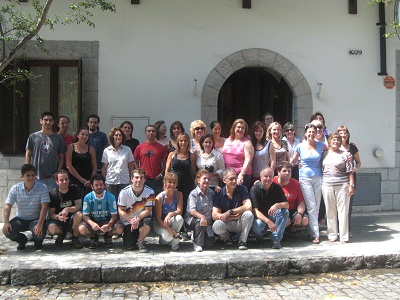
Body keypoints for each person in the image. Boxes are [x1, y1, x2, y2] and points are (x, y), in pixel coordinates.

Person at [290, 123, 328, 244]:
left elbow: (333, 149)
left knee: (316, 206)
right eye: (309, 132)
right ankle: (316, 235)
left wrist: (349, 148)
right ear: (305, 134)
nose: (311, 134)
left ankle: (311, 232)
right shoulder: (300, 146)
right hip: (305, 178)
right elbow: (292, 162)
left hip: (318, 178)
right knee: (311, 206)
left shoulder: (321, 145)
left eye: (313, 131)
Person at [2, 164, 50, 250]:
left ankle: (38, 242)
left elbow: (44, 207)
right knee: (7, 230)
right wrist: (6, 222)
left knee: (40, 231)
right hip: (21, 219)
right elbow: (8, 206)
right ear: (22, 177)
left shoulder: (43, 188)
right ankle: (22, 241)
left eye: (33, 175)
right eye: (28, 175)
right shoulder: (15, 189)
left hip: (36, 219)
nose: (31, 178)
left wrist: (40, 224)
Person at [322, 132, 355, 244]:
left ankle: (344, 236)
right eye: (333, 140)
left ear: (340, 142)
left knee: (343, 211)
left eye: (338, 140)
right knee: (330, 211)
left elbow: (350, 172)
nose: (335, 142)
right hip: (327, 184)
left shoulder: (345, 154)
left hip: (342, 185)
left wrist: (351, 185)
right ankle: (332, 235)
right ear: (330, 141)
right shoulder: (324, 153)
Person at [212, 168, 254, 250]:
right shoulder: (219, 193)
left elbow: (248, 206)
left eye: (235, 178)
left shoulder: (242, 189)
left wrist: (230, 212)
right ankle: (227, 238)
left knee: (249, 214)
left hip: (240, 222)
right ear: (224, 180)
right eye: (231, 179)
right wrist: (234, 217)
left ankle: (243, 240)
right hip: (228, 222)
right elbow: (214, 215)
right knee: (216, 225)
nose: (234, 181)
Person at [79, 174, 123, 249]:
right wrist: (92, 224)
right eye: (96, 185)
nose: (99, 187)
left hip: (107, 222)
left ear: (104, 185)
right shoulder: (87, 197)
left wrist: (109, 225)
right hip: (93, 222)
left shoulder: (111, 197)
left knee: (120, 228)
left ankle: (108, 236)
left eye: (101, 184)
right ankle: (93, 238)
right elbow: (85, 215)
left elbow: (114, 215)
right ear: (92, 186)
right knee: (82, 229)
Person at [25, 111, 66, 191]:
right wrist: (28, 171)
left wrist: (58, 172)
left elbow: (62, 157)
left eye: (50, 120)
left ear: (53, 122)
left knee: (52, 201)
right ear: (41, 121)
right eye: (46, 120)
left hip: (52, 178)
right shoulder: (33, 137)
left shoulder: (58, 138)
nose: (48, 122)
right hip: (36, 177)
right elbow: (28, 154)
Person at [250, 167, 289, 249]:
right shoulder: (255, 189)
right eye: (266, 176)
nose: (268, 179)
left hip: (273, 215)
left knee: (285, 212)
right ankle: (259, 238)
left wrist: (277, 205)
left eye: (270, 176)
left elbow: (286, 205)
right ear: (261, 177)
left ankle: (276, 240)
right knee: (258, 225)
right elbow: (255, 211)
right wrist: (268, 222)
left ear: (273, 177)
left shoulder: (277, 187)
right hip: (260, 217)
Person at [118, 168, 154, 252]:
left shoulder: (150, 192)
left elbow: (148, 210)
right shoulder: (124, 192)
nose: (139, 180)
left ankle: (140, 241)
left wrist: (137, 219)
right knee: (129, 246)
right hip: (128, 220)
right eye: (136, 177)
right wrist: (131, 221)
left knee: (148, 221)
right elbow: (121, 210)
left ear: (145, 179)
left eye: (141, 177)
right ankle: (132, 236)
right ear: (132, 179)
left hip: (141, 219)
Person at [47, 170, 83, 249]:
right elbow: (51, 214)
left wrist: (67, 209)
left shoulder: (74, 189)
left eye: (66, 179)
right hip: (59, 219)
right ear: (57, 182)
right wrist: (58, 216)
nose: (64, 182)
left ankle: (75, 237)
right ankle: (61, 234)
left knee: (79, 214)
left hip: (72, 218)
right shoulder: (53, 194)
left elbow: (79, 206)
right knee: (52, 228)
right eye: (61, 180)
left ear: (69, 180)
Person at [337, 125, 362, 237]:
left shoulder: (353, 148)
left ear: (348, 134)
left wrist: (355, 169)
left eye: (345, 132)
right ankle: (338, 229)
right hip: (337, 178)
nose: (343, 135)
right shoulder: (334, 146)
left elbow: (359, 162)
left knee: (349, 205)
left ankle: (347, 229)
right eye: (340, 133)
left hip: (350, 178)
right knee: (338, 205)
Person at [273, 162, 308, 237]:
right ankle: (285, 230)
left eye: (289, 171)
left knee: (305, 220)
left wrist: (299, 214)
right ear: (278, 172)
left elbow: (301, 202)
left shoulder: (295, 183)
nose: (287, 173)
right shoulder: (273, 183)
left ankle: (293, 228)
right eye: (284, 171)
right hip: (280, 210)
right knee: (286, 221)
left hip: (293, 209)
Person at [185, 170, 215, 252]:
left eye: (208, 179)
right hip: (192, 219)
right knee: (200, 221)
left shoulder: (211, 193)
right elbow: (191, 211)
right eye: (204, 178)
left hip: (207, 222)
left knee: (209, 244)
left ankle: (197, 235)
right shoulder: (193, 194)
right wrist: (202, 217)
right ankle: (197, 243)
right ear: (198, 180)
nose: (207, 181)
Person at [134, 125, 168, 196]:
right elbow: (135, 162)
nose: (151, 133)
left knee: (156, 199)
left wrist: (161, 174)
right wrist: (139, 173)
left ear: (156, 133)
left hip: (157, 179)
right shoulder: (139, 147)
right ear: (145, 133)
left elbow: (165, 164)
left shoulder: (161, 147)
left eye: (153, 131)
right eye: (149, 131)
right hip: (144, 179)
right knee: (144, 200)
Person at [153, 172, 184, 251]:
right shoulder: (159, 198)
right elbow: (158, 218)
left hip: (172, 221)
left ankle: (175, 243)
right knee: (167, 237)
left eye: (174, 182)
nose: (172, 185)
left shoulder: (179, 194)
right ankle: (164, 240)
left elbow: (179, 211)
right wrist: (167, 228)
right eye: (169, 182)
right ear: (165, 183)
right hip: (160, 223)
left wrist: (170, 214)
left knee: (179, 218)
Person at [101, 127, 134, 200]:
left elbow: (131, 166)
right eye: (116, 135)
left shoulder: (127, 149)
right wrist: (105, 180)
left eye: (120, 135)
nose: (118, 137)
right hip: (111, 181)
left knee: (124, 202)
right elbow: (104, 167)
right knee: (112, 203)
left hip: (124, 181)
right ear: (112, 137)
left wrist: (131, 179)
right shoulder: (107, 150)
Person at [165, 132, 196, 211]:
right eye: (181, 141)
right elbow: (167, 170)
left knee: (185, 204)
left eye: (185, 141)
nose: (183, 143)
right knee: (174, 203)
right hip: (174, 183)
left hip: (187, 184)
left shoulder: (191, 156)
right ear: (178, 142)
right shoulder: (172, 154)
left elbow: (193, 171)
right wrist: (166, 183)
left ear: (188, 142)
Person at [222, 119, 254, 190]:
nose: (240, 129)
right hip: (228, 174)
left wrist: (242, 174)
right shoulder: (228, 140)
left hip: (241, 175)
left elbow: (248, 160)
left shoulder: (247, 142)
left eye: (243, 128)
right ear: (234, 128)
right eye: (238, 127)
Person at [65, 128, 97, 196]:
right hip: (74, 179)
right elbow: (68, 165)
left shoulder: (91, 149)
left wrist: (90, 180)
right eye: (82, 134)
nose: (84, 136)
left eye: (87, 135)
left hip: (87, 181)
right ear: (77, 135)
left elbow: (94, 167)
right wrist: (80, 179)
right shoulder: (71, 147)